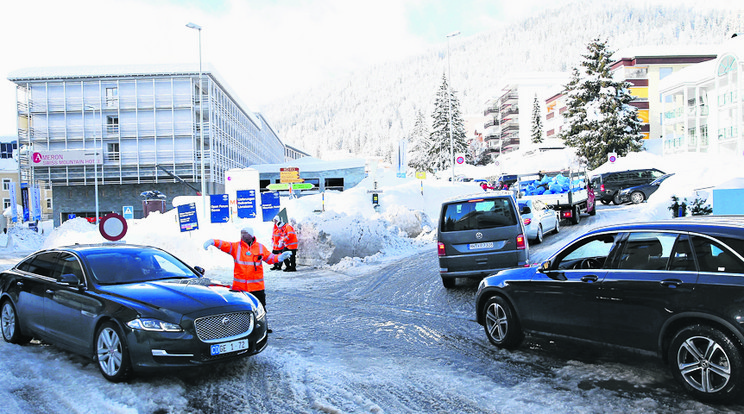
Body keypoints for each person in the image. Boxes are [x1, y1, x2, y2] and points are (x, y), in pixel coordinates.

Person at [203, 225, 291, 333]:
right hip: (240, 287)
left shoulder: (260, 247)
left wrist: (281, 257)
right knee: (241, 309)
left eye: (245, 233)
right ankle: (242, 329)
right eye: (242, 233)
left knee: (261, 308)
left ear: (251, 235)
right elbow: (224, 244)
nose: (242, 235)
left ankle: (263, 327)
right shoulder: (235, 247)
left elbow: (270, 258)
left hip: (257, 287)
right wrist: (213, 241)